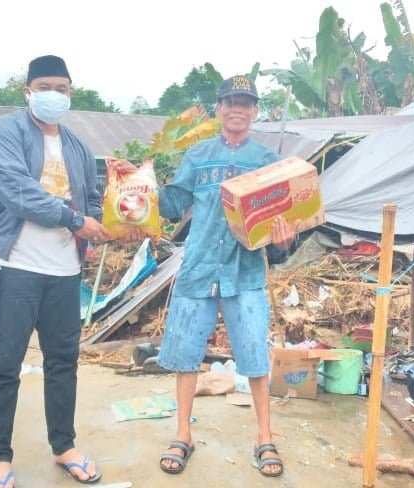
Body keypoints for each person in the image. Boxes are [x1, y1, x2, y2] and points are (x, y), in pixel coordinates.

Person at [0, 55, 110, 487]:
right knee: (4, 365)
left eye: (63, 88)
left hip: (63, 271)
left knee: (62, 363)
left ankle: (64, 446)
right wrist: (75, 221)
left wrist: (93, 231)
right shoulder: (4, 132)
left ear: (71, 93)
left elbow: (90, 197)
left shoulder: (77, 145)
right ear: (28, 91)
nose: (54, 95)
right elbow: (17, 192)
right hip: (12, 267)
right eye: (46, 86)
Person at [155, 75, 296, 477]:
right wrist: (142, 186)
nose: (238, 109)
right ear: (218, 108)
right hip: (198, 269)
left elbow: (279, 230)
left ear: (255, 112)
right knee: (186, 356)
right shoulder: (197, 156)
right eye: (230, 102)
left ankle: (264, 437)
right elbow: (172, 203)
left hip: (245, 272)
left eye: (246, 103)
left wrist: (285, 240)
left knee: (253, 354)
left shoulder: (268, 163)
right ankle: (183, 433)